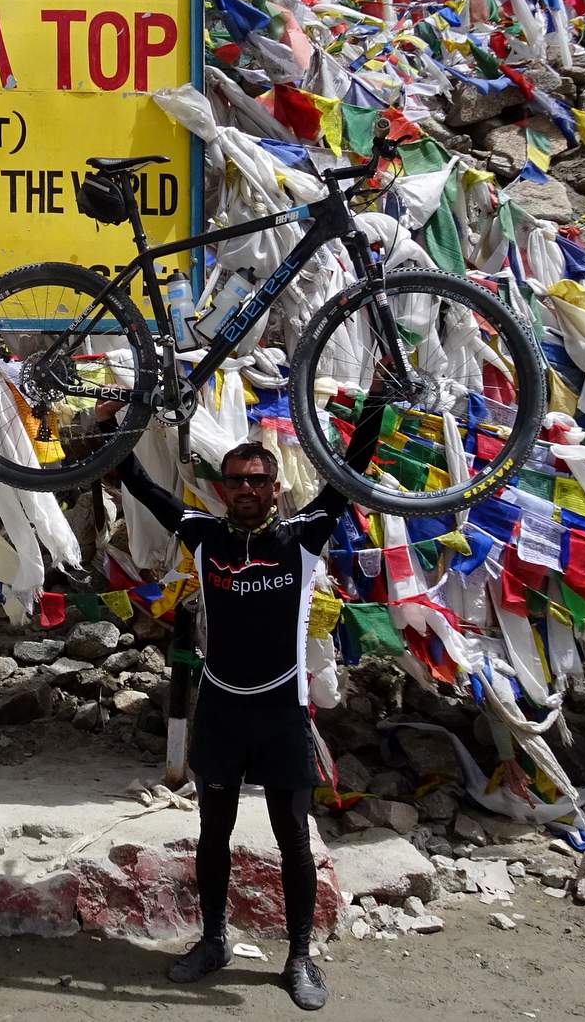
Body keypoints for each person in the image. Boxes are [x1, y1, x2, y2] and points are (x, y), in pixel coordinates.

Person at [99, 401, 380, 1012]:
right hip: (222, 711)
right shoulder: (203, 536)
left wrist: (377, 403)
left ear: (275, 488)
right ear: (223, 488)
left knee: (293, 840)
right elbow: (141, 485)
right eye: (236, 480)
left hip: (282, 712)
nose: (246, 489)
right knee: (213, 834)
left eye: (257, 480)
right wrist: (110, 424)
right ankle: (214, 941)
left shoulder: (302, 536)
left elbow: (349, 472)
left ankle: (299, 956)